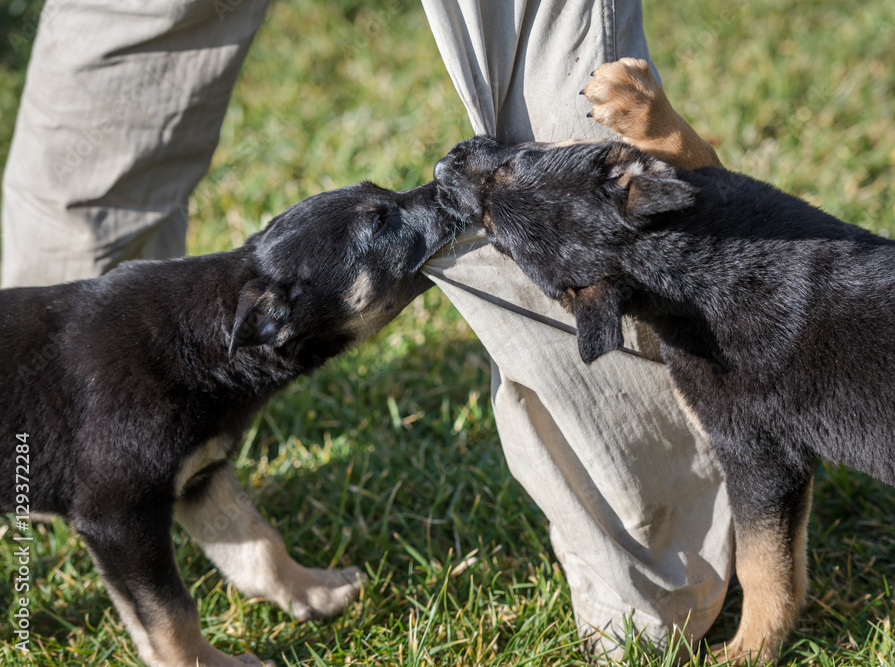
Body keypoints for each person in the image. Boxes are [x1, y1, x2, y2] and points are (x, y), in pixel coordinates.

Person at [1, 0, 732, 659]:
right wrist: (180, 645)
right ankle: (657, 568)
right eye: (382, 226)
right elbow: (114, 507)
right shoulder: (142, 398)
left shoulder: (193, 356)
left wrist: (275, 573)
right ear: (279, 322)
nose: (422, 205)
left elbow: (193, 474)